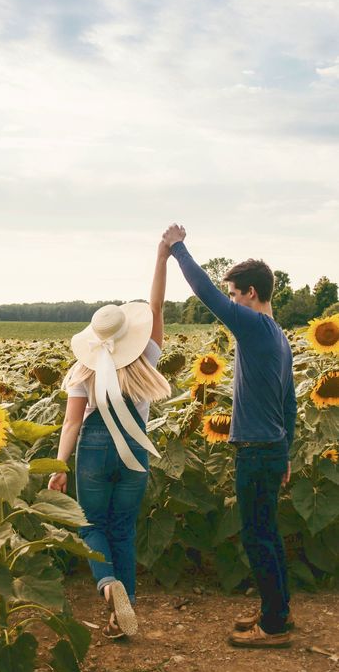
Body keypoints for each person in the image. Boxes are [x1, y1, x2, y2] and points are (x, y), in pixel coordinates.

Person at [162, 223, 296, 649]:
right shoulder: (280, 337)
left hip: (256, 452)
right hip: (271, 448)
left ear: (251, 294)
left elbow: (206, 293)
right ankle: (277, 611)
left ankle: (273, 628)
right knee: (268, 533)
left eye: (237, 294)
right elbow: (289, 402)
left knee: (257, 536)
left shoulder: (254, 327)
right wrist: (288, 452)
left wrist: (177, 248)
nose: (233, 300)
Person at [48, 241, 171, 638]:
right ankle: (124, 614)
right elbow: (157, 309)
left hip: (94, 449)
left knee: (91, 526)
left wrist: (59, 466)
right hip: (134, 449)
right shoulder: (146, 357)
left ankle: (107, 586)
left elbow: (70, 425)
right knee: (122, 529)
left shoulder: (82, 369)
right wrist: (161, 257)